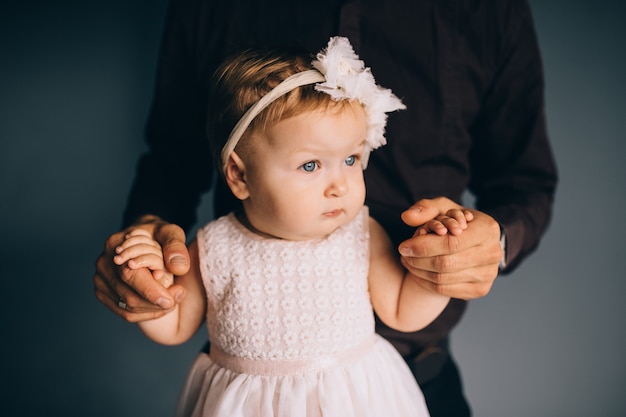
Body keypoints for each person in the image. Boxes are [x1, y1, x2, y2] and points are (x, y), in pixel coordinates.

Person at [94, 1, 558, 415]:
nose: (342, 185)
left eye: (353, 159)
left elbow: (403, 310)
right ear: (238, 175)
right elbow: (175, 322)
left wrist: (442, 261)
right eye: (311, 164)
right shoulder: (212, 246)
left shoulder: (360, 232)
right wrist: (146, 275)